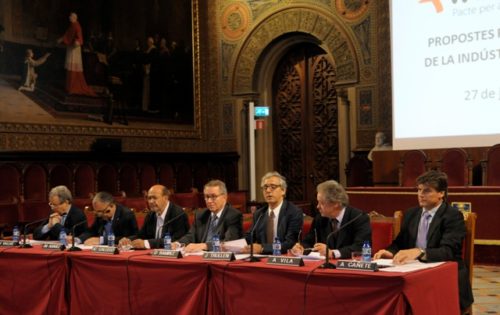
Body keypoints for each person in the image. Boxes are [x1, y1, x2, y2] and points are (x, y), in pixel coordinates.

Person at [373, 170, 473, 311]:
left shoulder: (452, 216)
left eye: (427, 191)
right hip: (413, 272)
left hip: (444, 276)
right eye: (419, 190)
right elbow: (400, 243)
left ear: (441, 193)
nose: (420, 195)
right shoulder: (411, 214)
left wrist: (419, 252)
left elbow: (448, 252)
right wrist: (389, 252)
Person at [291, 180, 371, 259]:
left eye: (322, 203)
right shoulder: (320, 218)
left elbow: (361, 247)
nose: (317, 206)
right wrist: (301, 247)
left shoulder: (358, 218)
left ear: (336, 203)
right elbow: (309, 241)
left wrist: (333, 253)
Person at [243, 172, 303, 255]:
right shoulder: (259, 214)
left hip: (282, 257)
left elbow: (290, 243)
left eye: (273, 187)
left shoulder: (293, 212)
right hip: (261, 259)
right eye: (265, 187)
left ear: (283, 190)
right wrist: (232, 245)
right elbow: (249, 237)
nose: (268, 190)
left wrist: (262, 248)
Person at [175, 180, 243, 252]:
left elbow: (229, 242)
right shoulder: (200, 215)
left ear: (225, 197)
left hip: (219, 257)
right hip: (199, 256)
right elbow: (191, 236)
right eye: (207, 197)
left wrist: (206, 246)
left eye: (213, 196)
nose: (209, 201)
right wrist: (178, 244)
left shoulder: (233, 215)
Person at [119, 184, 189, 249]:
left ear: (166, 198)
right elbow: (141, 235)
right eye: (149, 198)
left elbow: (176, 239)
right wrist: (128, 240)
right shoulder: (150, 215)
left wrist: (147, 243)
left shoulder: (178, 214)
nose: (151, 201)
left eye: (154, 198)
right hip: (153, 254)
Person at [57, 12, 96, 96]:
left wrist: (76, 42)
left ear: (74, 17)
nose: (69, 17)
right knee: (70, 67)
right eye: (69, 16)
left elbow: (79, 38)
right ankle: (69, 87)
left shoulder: (77, 26)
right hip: (70, 47)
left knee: (74, 67)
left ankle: (73, 87)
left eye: (70, 16)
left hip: (75, 48)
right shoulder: (71, 26)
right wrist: (61, 39)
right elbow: (67, 35)